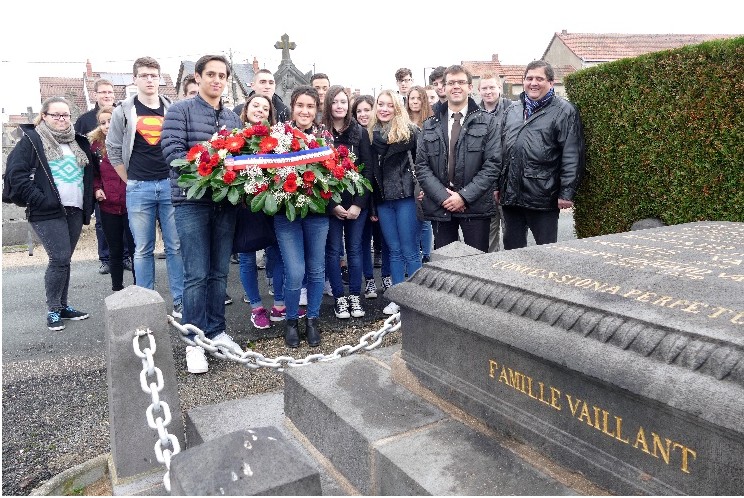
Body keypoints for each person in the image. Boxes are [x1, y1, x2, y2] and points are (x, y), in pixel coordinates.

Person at [161, 54, 243, 374]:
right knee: (196, 273)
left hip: (225, 202)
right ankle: (195, 341)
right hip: (191, 200)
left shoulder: (233, 118)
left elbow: (240, 157)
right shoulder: (180, 110)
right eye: (210, 74)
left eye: (222, 75)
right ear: (197, 77)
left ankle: (216, 331)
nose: (217, 80)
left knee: (219, 272)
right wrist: (210, 173)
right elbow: (173, 153)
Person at [6, 97, 95, 330]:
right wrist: (39, 200)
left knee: (65, 260)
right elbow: (16, 174)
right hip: (46, 211)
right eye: (55, 115)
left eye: (65, 115)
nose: (61, 119)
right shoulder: (32, 140)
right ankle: (53, 310)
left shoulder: (77, 141)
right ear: (44, 116)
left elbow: (89, 173)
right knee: (59, 258)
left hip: (74, 208)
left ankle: (63, 306)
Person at [106, 56, 184, 318]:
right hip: (139, 187)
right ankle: (146, 301)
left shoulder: (173, 109)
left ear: (159, 79)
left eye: (153, 75)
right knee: (142, 248)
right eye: (144, 75)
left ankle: (180, 300)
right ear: (135, 79)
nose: (149, 80)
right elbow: (113, 148)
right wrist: (129, 180)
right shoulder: (123, 111)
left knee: (175, 246)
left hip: (170, 185)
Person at [499, 60, 585, 249]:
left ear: (551, 83)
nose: (533, 83)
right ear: (523, 81)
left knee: (547, 253)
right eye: (529, 78)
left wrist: (566, 192)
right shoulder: (512, 110)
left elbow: (572, 154)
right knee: (512, 252)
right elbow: (500, 151)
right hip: (511, 197)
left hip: (543, 196)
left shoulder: (564, 111)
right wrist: (497, 187)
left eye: (539, 78)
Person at [415, 64, 501, 253]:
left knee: (477, 267)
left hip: (476, 207)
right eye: (451, 82)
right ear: (443, 88)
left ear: (470, 87)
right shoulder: (430, 124)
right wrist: (445, 197)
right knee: (444, 266)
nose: (456, 86)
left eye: (461, 82)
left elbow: (492, 165)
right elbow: (421, 166)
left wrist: (463, 197)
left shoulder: (488, 122)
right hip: (441, 206)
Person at [235, 93, 302, 329]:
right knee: (247, 257)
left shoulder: (278, 137)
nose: (260, 110)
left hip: (273, 203)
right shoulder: (235, 136)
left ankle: (280, 304)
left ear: (270, 114)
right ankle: (256, 307)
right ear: (246, 109)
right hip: (245, 206)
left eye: (265, 108)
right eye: (256, 106)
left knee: (277, 254)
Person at [274, 85, 328, 348]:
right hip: (287, 214)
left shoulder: (324, 137)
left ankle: (313, 320)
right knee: (295, 271)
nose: (305, 111)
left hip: (317, 212)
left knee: (317, 270)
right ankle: (292, 321)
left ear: (316, 109)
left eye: (310, 106)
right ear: (292, 108)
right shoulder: (279, 136)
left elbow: (335, 173)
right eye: (300, 106)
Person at [361, 89, 421, 316]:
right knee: (393, 250)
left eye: (389, 105)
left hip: (406, 197)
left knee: (410, 250)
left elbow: (422, 165)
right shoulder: (370, 135)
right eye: (381, 104)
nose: (384, 109)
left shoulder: (410, 133)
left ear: (397, 108)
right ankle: (398, 297)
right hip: (384, 200)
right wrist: (374, 206)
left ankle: (416, 298)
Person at [321, 85, 373, 319]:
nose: (339, 106)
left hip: (355, 205)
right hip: (331, 205)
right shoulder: (321, 133)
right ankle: (339, 298)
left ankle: (354, 295)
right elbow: (316, 172)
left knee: (354, 250)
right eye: (335, 102)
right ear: (329, 105)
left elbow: (368, 170)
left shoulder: (359, 132)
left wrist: (358, 205)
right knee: (333, 252)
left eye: (343, 102)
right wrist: (332, 206)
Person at [74, 78, 130, 275]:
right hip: (102, 182)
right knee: (102, 223)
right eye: (103, 92)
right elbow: (80, 147)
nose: (107, 95)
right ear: (95, 94)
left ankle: (125, 256)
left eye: (110, 92)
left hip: (124, 184)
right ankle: (106, 258)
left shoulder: (123, 113)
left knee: (126, 221)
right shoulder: (85, 120)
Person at [89, 106, 136, 292]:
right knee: (115, 250)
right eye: (103, 123)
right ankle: (117, 288)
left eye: (110, 121)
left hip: (132, 203)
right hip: (108, 205)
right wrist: (97, 189)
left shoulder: (131, 142)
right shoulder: (95, 147)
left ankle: (140, 286)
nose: (107, 126)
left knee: (136, 249)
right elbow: (93, 174)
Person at [352, 94, 389, 299]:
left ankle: (387, 276)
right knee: (363, 242)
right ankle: (369, 281)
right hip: (362, 199)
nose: (364, 114)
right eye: (359, 111)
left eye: (367, 109)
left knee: (385, 241)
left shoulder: (381, 134)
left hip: (382, 197)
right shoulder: (354, 136)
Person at [478, 73, 511, 252]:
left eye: (492, 87)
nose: (488, 91)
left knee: (512, 232)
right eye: (484, 88)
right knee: (488, 234)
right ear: (479, 90)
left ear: (499, 88)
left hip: (508, 180)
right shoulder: (474, 112)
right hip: (486, 182)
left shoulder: (513, 109)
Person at [406, 85, 434, 263]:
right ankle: (414, 253)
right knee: (411, 219)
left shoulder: (430, 121)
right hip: (406, 176)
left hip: (424, 175)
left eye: (418, 98)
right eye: (412, 98)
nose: (415, 102)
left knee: (424, 217)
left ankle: (426, 255)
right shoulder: (401, 121)